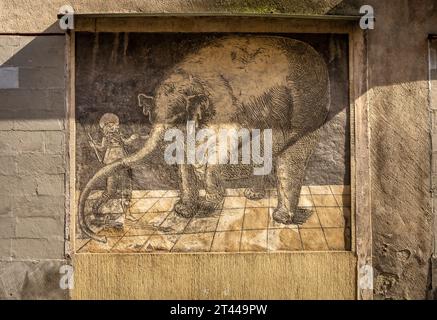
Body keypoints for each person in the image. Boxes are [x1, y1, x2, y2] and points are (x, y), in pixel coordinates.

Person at [89, 113, 139, 228]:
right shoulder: (106, 137)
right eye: (110, 126)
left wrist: (131, 138)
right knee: (110, 190)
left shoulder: (119, 135)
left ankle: (128, 213)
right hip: (111, 163)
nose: (114, 127)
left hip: (123, 162)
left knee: (126, 188)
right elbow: (102, 148)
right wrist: (94, 146)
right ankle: (95, 208)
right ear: (106, 127)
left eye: (114, 125)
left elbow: (125, 142)